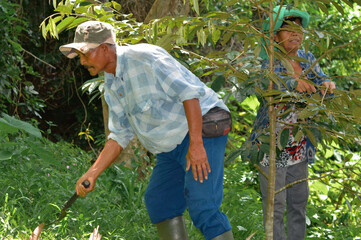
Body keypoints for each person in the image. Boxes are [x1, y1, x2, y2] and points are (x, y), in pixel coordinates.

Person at [59, 20, 234, 240]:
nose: (82, 61)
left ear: (104, 48)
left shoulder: (146, 58)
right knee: (160, 201)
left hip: (203, 127)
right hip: (170, 146)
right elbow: (119, 135)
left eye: (85, 54)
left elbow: (189, 95)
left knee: (203, 206)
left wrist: (197, 145)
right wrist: (92, 173)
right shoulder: (111, 84)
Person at [250, 5, 336, 240]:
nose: (295, 35)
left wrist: (327, 84)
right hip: (271, 146)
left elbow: (322, 78)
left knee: (298, 203)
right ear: (275, 35)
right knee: (275, 207)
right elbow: (263, 85)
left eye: (299, 30)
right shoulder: (267, 60)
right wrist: (291, 83)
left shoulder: (306, 57)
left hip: (298, 144)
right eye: (288, 30)